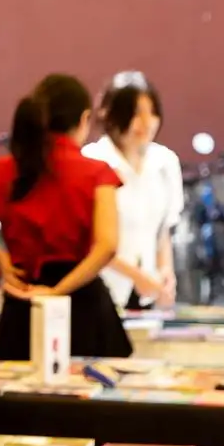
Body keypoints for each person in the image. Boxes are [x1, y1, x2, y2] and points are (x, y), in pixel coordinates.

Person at [0, 73, 130, 359]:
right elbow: (108, 246)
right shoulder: (97, 174)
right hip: (83, 306)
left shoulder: (4, 170)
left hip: (21, 302)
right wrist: (59, 291)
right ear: (84, 118)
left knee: (17, 385)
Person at [82, 73, 183, 310]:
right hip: (101, 289)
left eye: (152, 112)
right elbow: (90, 240)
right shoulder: (94, 161)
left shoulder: (165, 162)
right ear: (111, 115)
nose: (147, 122)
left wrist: (166, 272)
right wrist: (135, 275)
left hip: (147, 293)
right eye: (137, 113)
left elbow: (163, 231)